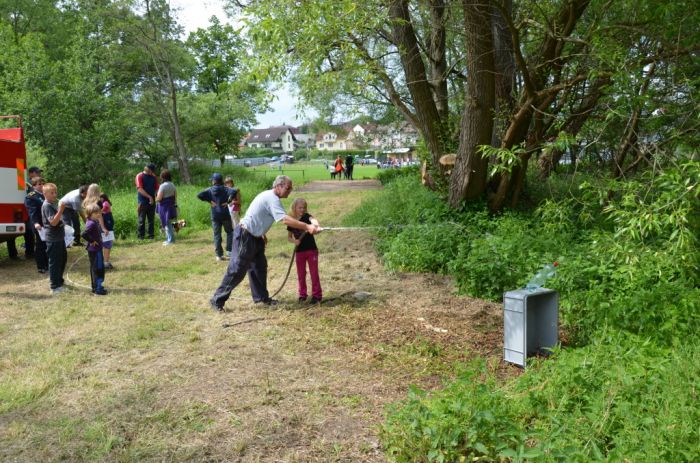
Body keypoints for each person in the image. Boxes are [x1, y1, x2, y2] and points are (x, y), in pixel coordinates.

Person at [209, 175, 321, 312]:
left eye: (291, 188)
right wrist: (308, 227)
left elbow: (259, 215)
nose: (290, 190)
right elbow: (285, 220)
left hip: (256, 237)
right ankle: (217, 300)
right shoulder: (271, 198)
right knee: (237, 269)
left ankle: (262, 298)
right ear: (279, 186)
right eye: (288, 187)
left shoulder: (272, 197)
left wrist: (262, 233)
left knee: (259, 267)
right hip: (245, 235)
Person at [287, 198, 323, 303]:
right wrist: (295, 241)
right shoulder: (291, 221)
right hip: (299, 252)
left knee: (314, 273)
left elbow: (313, 220)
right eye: (300, 208)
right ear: (294, 208)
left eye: (304, 208)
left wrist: (316, 225)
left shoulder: (307, 217)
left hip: (311, 250)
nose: (302, 210)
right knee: (301, 274)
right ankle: (302, 294)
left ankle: (317, 295)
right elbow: (289, 237)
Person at [197, 173, 233, 261]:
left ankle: (218, 255)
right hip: (225, 214)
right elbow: (235, 191)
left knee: (217, 235)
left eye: (212, 180)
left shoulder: (210, 190)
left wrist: (210, 201)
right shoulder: (225, 189)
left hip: (215, 215)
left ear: (214, 181)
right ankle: (229, 251)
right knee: (229, 232)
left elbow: (199, 195)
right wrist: (228, 202)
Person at [41, 183, 67, 294]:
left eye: (55, 192)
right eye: (52, 193)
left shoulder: (53, 204)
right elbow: (53, 222)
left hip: (59, 238)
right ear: (45, 194)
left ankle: (59, 281)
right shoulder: (46, 205)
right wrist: (61, 210)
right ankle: (54, 286)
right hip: (53, 239)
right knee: (54, 262)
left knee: (62, 260)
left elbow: (58, 220)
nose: (55, 194)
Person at [80, 203, 107, 295]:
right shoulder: (91, 223)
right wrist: (92, 241)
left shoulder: (93, 221)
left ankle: (97, 285)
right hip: (94, 250)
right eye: (96, 213)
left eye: (99, 213)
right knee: (97, 268)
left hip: (97, 249)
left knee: (97, 267)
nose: (99, 215)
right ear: (90, 214)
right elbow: (84, 234)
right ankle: (97, 288)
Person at [24, 176, 48, 273]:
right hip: (39, 225)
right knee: (40, 245)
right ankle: (41, 266)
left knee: (46, 245)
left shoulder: (44, 195)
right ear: (34, 186)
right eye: (39, 184)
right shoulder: (31, 196)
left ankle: (47, 265)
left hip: (46, 224)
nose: (42, 185)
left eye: (43, 183)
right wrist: (36, 223)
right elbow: (32, 212)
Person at [135, 163, 159, 240]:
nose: (151, 172)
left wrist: (156, 196)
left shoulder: (154, 177)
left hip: (152, 201)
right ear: (146, 168)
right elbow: (139, 189)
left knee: (151, 220)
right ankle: (141, 237)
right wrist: (149, 197)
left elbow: (157, 188)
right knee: (141, 220)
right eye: (150, 170)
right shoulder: (139, 176)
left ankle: (151, 236)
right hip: (142, 202)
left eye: (151, 171)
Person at [156, 169, 177, 246]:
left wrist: (156, 198)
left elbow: (159, 198)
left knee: (167, 223)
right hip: (171, 205)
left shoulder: (162, 186)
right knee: (169, 223)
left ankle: (171, 240)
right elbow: (175, 196)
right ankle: (169, 239)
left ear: (163, 177)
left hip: (164, 207)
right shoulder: (172, 184)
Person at [99, 193, 115, 269]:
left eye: (100, 197)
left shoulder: (105, 203)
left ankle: (106, 261)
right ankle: (105, 261)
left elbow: (104, 209)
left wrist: (98, 212)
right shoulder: (102, 202)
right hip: (106, 219)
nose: (100, 199)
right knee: (106, 241)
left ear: (103, 197)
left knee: (108, 239)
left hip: (107, 219)